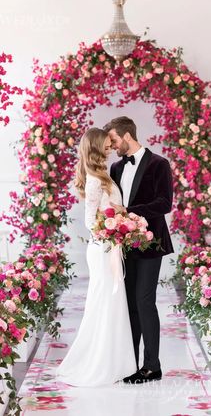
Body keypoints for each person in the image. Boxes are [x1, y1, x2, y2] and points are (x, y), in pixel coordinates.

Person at [55, 127, 136, 386]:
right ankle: (101, 363)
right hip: (102, 248)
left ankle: (118, 362)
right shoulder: (93, 179)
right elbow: (91, 221)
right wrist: (114, 230)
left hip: (109, 245)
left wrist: (121, 219)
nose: (111, 146)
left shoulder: (103, 174)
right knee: (105, 301)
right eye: (106, 143)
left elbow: (108, 211)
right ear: (96, 148)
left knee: (113, 302)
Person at [103, 116, 174, 384]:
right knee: (130, 304)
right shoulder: (116, 168)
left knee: (145, 301)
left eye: (114, 140)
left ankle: (152, 366)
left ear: (128, 137)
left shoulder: (159, 164)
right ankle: (130, 363)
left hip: (152, 242)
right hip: (125, 245)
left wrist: (130, 212)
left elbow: (164, 203)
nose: (112, 146)